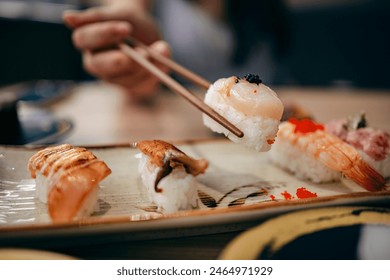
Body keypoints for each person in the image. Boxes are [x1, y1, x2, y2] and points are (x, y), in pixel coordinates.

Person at [63, 0, 290, 100]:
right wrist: (127, 53)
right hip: (181, 127)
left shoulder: (264, 7)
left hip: (273, 123)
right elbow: (128, 10)